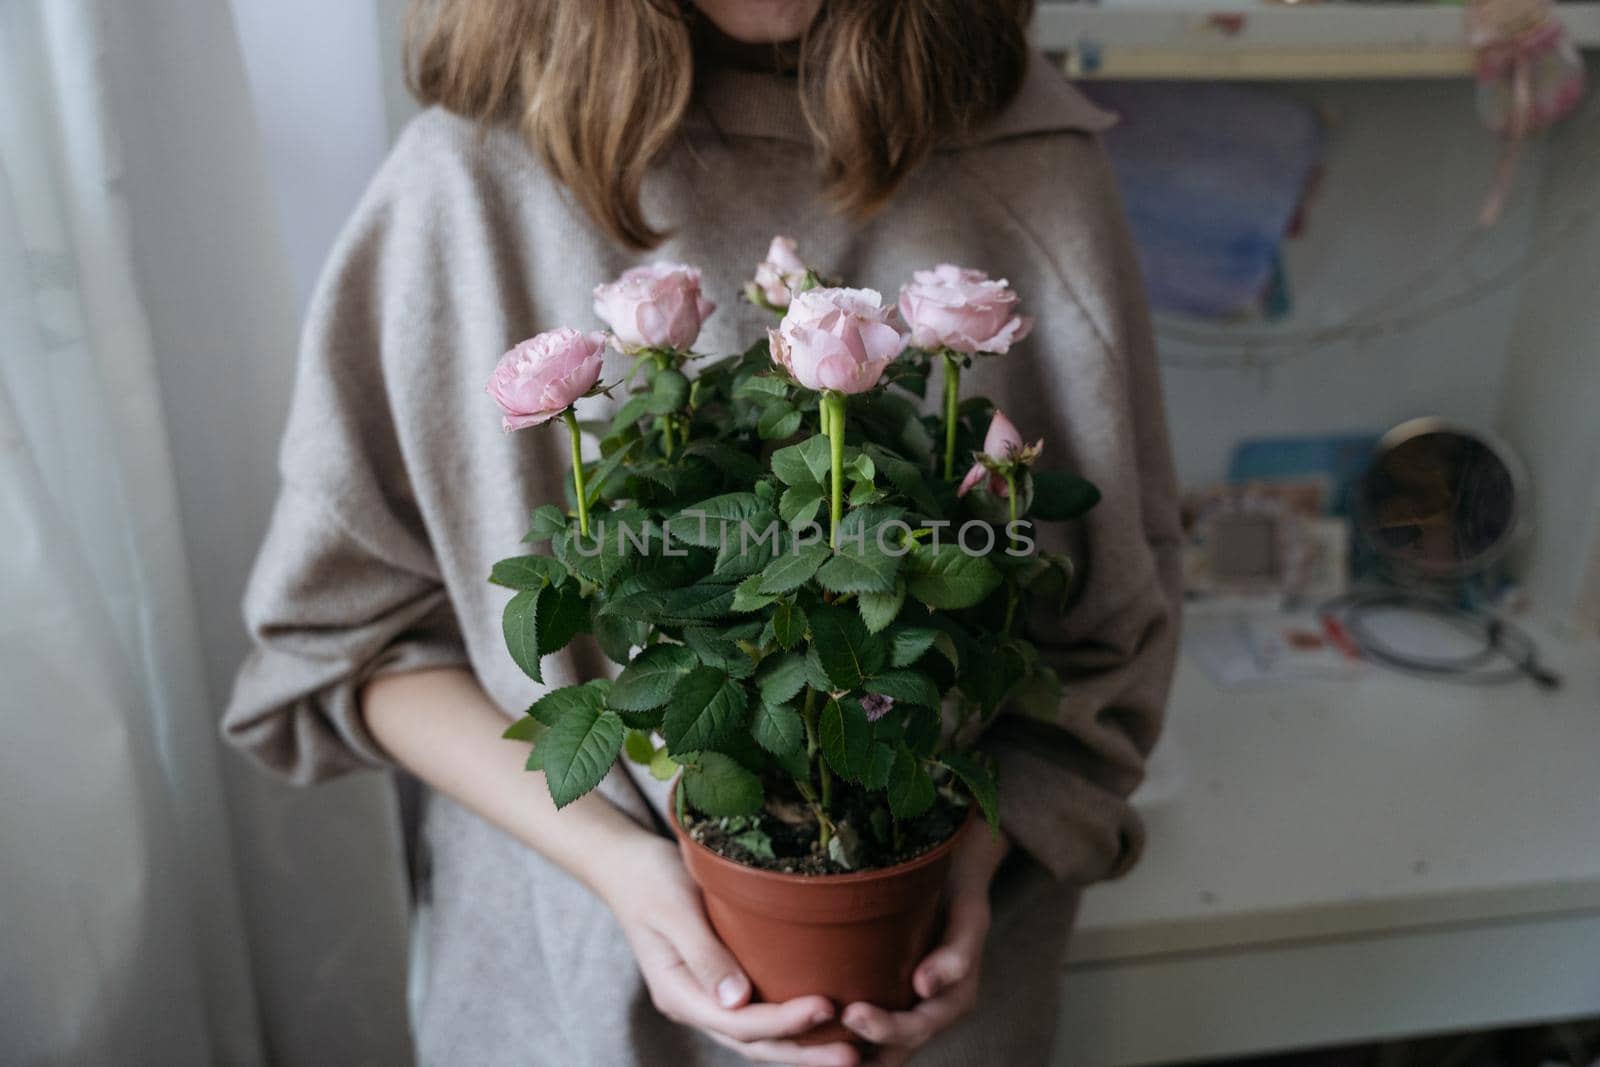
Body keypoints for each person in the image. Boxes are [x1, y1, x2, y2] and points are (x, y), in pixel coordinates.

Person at [223, 1, 1182, 1063]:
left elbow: (1103, 637)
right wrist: (620, 864)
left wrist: (965, 852)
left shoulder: (1029, 160)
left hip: (938, 985)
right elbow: (348, 646)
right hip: (566, 994)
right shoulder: (469, 174)